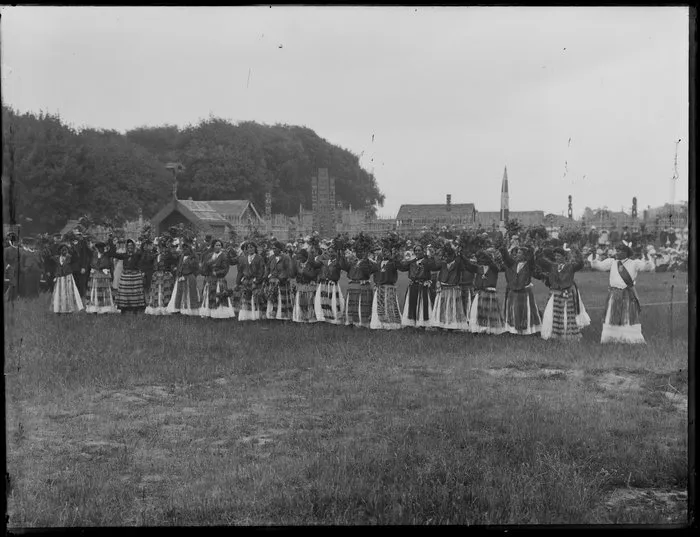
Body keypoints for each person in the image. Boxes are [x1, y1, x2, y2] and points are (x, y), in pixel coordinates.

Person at [588, 242, 656, 344]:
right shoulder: (612, 262)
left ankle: (630, 339)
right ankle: (611, 339)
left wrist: (646, 256)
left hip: (627, 294)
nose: (616, 253)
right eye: (616, 250)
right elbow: (598, 266)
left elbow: (647, 267)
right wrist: (594, 255)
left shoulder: (634, 263)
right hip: (614, 294)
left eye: (619, 251)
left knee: (628, 316)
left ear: (625, 252)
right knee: (612, 315)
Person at [536, 246, 586, 341]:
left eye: (559, 256)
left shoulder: (570, 266)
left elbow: (580, 264)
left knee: (566, 316)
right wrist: (539, 251)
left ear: (564, 257)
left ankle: (565, 334)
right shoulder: (552, 266)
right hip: (554, 294)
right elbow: (540, 261)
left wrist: (577, 252)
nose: (557, 258)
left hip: (565, 294)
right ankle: (550, 334)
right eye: (555, 256)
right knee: (550, 314)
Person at [499, 245, 542, 335]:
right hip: (514, 291)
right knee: (514, 310)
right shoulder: (513, 264)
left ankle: (527, 329)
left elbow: (531, 260)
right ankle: (514, 329)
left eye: (519, 253)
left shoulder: (528, 265)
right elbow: (506, 258)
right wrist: (503, 249)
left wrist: (531, 250)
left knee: (526, 310)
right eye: (517, 253)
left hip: (524, 291)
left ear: (525, 255)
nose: (517, 255)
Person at [464, 249, 505, 335]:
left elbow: (493, 265)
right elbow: (469, 265)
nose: (482, 260)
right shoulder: (479, 268)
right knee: (477, 311)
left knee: (489, 312)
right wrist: (461, 256)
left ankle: (489, 329)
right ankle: (478, 328)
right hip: (480, 292)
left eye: (484, 258)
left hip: (490, 293)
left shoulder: (494, 268)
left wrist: (486, 255)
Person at [430, 243, 469, 331]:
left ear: (453, 256)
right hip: (443, 288)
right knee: (442, 306)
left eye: (448, 256)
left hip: (453, 288)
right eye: (445, 256)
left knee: (452, 307)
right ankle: (440, 323)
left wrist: (460, 253)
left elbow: (464, 265)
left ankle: (451, 324)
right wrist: (432, 256)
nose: (446, 258)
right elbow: (434, 266)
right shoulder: (443, 264)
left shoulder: (457, 263)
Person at [398, 244, 435, 328]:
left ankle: (422, 324)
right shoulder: (412, 261)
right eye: (416, 250)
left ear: (423, 251)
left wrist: (432, 256)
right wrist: (396, 257)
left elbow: (433, 266)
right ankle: (411, 323)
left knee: (423, 304)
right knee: (411, 304)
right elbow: (402, 267)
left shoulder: (427, 261)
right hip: (413, 285)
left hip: (423, 286)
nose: (417, 252)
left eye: (419, 250)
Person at [199, 239, 236, 319]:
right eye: (216, 245)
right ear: (213, 246)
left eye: (220, 245)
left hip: (219, 279)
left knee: (219, 295)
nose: (218, 247)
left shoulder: (224, 256)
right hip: (210, 279)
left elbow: (225, 268)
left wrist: (218, 273)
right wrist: (206, 271)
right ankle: (208, 312)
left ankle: (219, 313)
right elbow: (204, 267)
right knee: (209, 295)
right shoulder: (209, 255)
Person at [108, 239, 146, 314]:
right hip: (125, 276)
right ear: (126, 247)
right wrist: (112, 244)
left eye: (131, 245)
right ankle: (124, 309)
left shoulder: (137, 255)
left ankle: (135, 309)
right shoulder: (124, 255)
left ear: (134, 246)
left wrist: (143, 242)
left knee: (135, 293)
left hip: (135, 276)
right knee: (124, 294)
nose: (130, 247)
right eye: (128, 246)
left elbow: (144, 254)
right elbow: (112, 254)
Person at [369, 246, 402, 330]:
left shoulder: (393, 263)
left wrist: (394, 257)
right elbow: (375, 274)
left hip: (389, 287)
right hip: (380, 288)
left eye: (387, 251)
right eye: (383, 251)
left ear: (390, 253)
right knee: (379, 307)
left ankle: (391, 325)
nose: (385, 253)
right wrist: (376, 283)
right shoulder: (378, 263)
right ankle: (379, 325)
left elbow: (401, 267)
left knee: (390, 307)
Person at [342, 248, 377, 328]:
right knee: (352, 306)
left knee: (362, 307)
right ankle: (351, 322)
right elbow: (344, 266)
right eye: (357, 251)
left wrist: (365, 260)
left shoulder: (370, 262)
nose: (359, 253)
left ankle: (363, 323)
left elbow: (368, 272)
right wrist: (340, 253)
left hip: (363, 286)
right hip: (352, 287)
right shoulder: (352, 262)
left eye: (361, 251)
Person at [314, 244, 346, 325]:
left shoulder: (337, 262)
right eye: (330, 252)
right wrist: (320, 253)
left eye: (333, 252)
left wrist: (340, 253)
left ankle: (334, 319)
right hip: (323, 284)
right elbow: (314, 264)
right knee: (320, 301)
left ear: (336, 253)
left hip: (333, 285)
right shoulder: (324, 262)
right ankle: (322, 318)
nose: (331, 253)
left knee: (333, 302)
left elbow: (342, 264)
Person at [145, 238, 177, 315]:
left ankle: (165, 307)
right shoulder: (156, 255)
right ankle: (156, 307)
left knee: (165, 292)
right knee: (156, 291)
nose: (161, 248)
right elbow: (148, 260)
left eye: (163, 247)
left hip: (165, 276)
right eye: (159, 247)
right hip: (156, 275)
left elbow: (174, 260)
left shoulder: (168, 255)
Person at [167, 242, 201, 315]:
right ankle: (178, 308)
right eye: (183, 248)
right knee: (179, 293)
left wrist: (191, 274)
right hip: (181, 277)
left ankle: (189, 309)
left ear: (190, 249)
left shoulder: (194, 257)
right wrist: (179, 272)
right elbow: (179, 265)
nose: (185, 250)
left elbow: (196, 268)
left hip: (189, 276)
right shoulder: (182, 256)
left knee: (189, 293)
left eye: (187, 248)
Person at [236, 241, 266, 321]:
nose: (250, 249)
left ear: (255, 248)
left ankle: (255, 316)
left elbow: (261, 271)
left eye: (251, 247)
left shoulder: (259, 258)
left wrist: (257, 281)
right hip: (246, 281)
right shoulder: (244, 259)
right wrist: (238, 282)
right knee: (245, 298)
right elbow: (240, 271)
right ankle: (246, 316)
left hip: (255, 281)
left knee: (255, 298)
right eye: (248, 248)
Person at [85, 242, 118, 314]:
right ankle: (95, 308)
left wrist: (111, 242)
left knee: (105, 292)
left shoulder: (107, 255)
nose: (100, 249)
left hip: (104, 276)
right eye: (99, 248)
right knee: (95, 291)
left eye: (102, 248)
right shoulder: (94, 255)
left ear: (104, 248)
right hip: (95, 275)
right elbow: (91, 261)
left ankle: (105, 308)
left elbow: (112, 251)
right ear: (97, 248)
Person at [265, 241, 294, 321]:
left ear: (280, 249)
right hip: (272, 281)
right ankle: (272, 315)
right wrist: (266, 277)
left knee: (281, 298)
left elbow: (288, 270)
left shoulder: (285, 257)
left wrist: (281, 278)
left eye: (275, 248)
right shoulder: (271, 258)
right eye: (273, 248)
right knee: (273, 298)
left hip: (282, 282)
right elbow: (267, 269)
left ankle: (283, 315)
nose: (274, 250)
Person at [52, 244, 84, 313]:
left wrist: (72, 249)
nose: (64, 251)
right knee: (60, 292)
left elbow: (77, 258)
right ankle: (59, 309)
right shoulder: (57, 258)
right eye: (62, 250)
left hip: (68, 277)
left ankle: (69, 309)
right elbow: (55, 267)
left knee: (69, 291)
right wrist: (55, 276)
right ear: (60, 251)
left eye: (65, 250)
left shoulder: (70, 257)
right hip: (60, 278)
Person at [292, 249, 321, 323]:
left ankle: (310, 318)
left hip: (309, 286)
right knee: (300, 303)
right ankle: (301, 318)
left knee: (309, 303)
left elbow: (313, 274)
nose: (300, 259)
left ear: (305, 257)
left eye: (301, 257)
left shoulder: (310, 263)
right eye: (299, 257)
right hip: (300, 286)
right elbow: (293, 274)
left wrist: (304, 271)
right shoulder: (297, 263)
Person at [4, 232, 20, 301]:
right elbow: (4, 259)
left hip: (17, 268)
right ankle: (7, 297)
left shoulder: (19, 250)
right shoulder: (6, 249)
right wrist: (7, 266)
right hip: (9, 268)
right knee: (12, 283)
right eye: (13, 242)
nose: (15, 243)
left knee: (16, 283)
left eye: (16, 242)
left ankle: (13, 297)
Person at [139, 239, 156, 305]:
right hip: (146, 272)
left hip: (151, 272)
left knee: (149, 287)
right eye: (151, 245)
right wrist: (142, 272)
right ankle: (147, 302)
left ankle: (149, 301)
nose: (152, 246)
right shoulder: (144, 253)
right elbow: (145, 261)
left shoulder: (151, 252)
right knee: (147, 287)